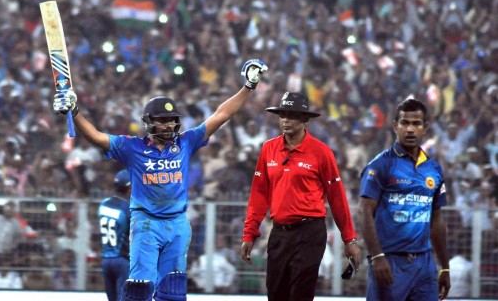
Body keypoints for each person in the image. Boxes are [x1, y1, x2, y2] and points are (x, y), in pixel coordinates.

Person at [52, 59, 268, 301]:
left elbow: (222, 114)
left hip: (177, 223)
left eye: (172, 120)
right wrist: (75, 112)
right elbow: (96, 137)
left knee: (173, 291)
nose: (168, 125)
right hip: (146, 224)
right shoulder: (131, 147)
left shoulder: (186, 142)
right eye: (162, 120)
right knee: (140, 288)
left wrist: (249, 85)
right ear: (149, 122)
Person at [240, 92, 361, 301]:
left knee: (301, 295)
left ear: (305, 119)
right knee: (276, 294)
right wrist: (249, 233)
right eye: (282, 115)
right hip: (278, 234)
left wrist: (349, 239)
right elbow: (259, 194)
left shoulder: (322, 153)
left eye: (292, 115)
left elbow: (337, 197)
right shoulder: (268, 149)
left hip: (309, 233)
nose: (285, 120)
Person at [359, 98, 451, 301]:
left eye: (416, 123)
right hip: (390, 261)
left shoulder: (433, 169)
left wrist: (444, 266)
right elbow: (364, 212)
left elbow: (436, 218)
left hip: (425, 265)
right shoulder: (381, 165)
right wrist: (377, 256)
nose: (410, 129)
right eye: (405, 123)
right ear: (395, 126)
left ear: (425, 128)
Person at [98, 169, 131, 301]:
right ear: (129, 188)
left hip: (106, 260)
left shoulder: (103, 204)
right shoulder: (128, 208)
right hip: (122, 260)